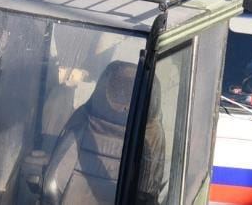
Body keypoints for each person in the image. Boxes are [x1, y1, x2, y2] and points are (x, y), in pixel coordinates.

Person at [41, 61, 165, 204]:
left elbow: (146, 197)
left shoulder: (149, 138)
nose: (122, 103)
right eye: (118, 90)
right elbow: (52, 186)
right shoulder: (83, 123)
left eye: (126, 93)